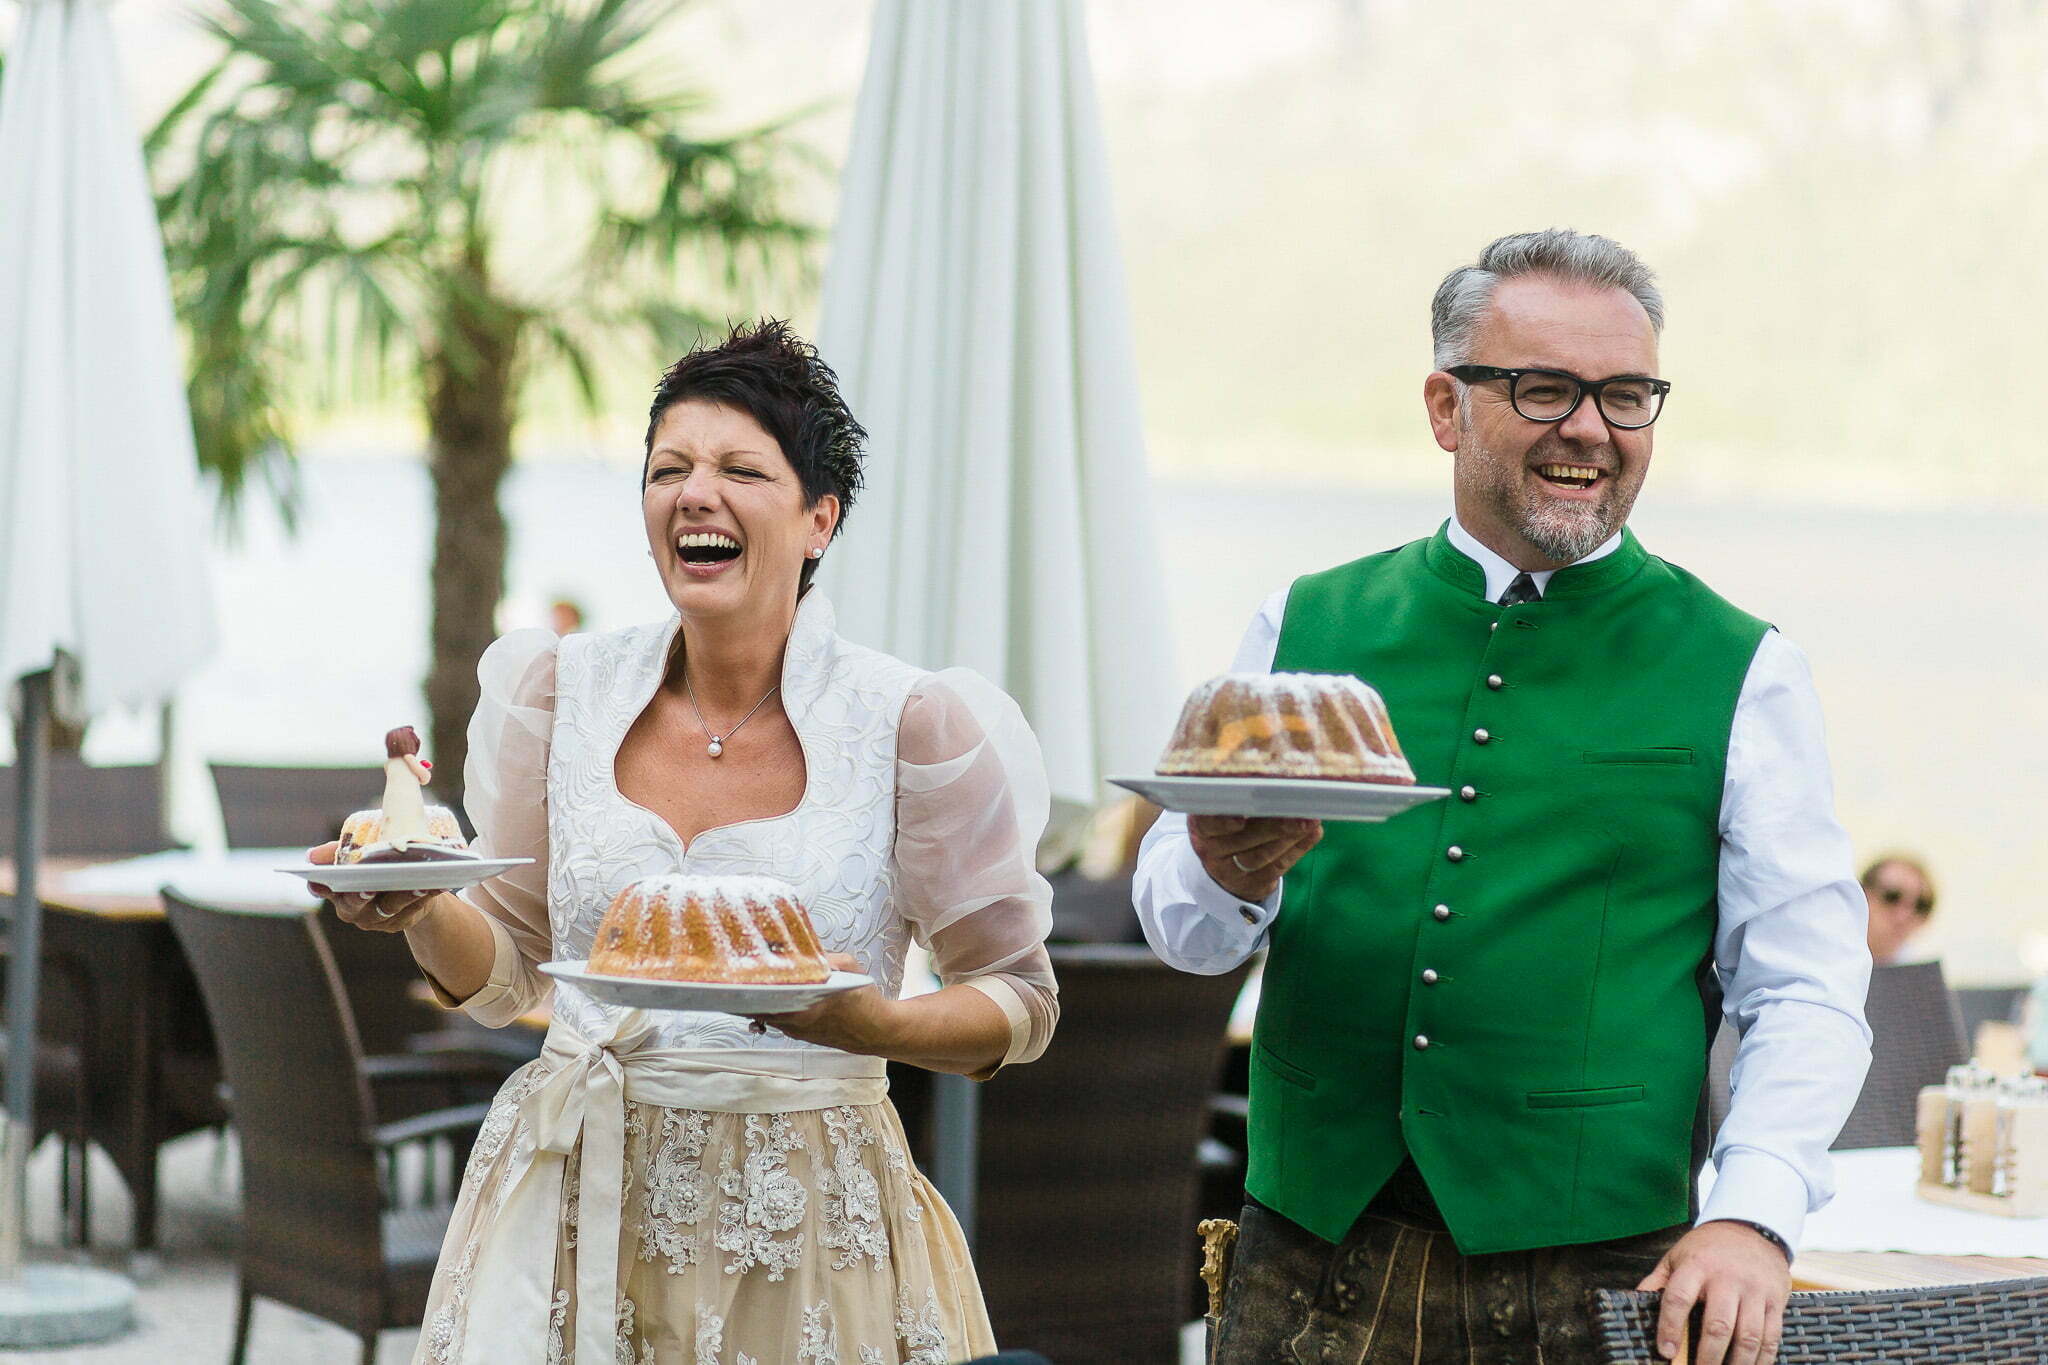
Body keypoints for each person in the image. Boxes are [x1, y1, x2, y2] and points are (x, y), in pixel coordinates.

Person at [1134, 230, 1873, 1365]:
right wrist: (1223, 868)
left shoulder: (1741, 665)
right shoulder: (1303, 621)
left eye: (1626, 396)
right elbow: (1183, 938)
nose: (1590, 429)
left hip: (1595, 1277)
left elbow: (1808, 987)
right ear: (1445, 407)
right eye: (1544, 390)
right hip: (1307, 1253)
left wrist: (1752, 1211)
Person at [310, 320, 1058, 1364]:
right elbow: (506, 973)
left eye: (740, 469)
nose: (692, 493)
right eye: (669, 470)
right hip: (568, 1210)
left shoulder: (910, 722)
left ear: (819, 520)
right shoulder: (555, 690)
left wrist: (869, 1021)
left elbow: (1018, 1005)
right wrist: (424, 906)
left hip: (804, 1242)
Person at [1860, 853, 1937, 965]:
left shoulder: (1918, 975)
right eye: (1892, 897)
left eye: (1921, 905)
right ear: (1863, 895)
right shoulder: (1831, 956)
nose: (1904, 916)